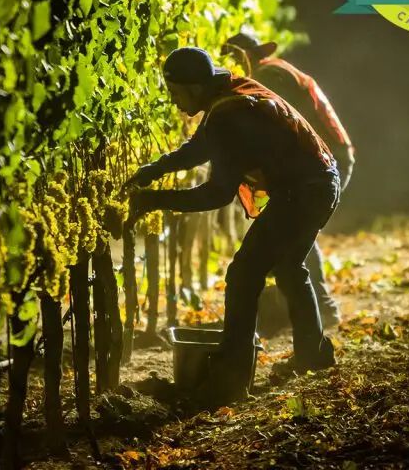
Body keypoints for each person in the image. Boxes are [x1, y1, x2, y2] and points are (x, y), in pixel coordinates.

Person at [125, 47, 340, 405]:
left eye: (176, 93)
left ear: (194, 88)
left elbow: (216, 194)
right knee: (288, 269)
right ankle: (314, 356)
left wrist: (154, 201)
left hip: (303, 193)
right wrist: (155, 170)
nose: (175, 102)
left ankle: (231, 375)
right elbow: (200, 147)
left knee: (243, 274)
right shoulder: (228, 94)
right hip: (319, 182)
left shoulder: (231, 114)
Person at [222, 32, 351, 330]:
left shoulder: (270, 75)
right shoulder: (277, 68)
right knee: (297, 234)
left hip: (323, 159)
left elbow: (279, 123)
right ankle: (312, 312)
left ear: (242, 57)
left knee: (297, 234)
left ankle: (322, 309)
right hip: (329, 155)